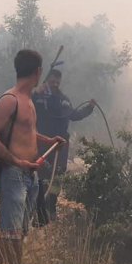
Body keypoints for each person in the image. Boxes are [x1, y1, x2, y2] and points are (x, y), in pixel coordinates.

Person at [0, 50, 65, 264]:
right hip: (14, 175)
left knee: (17, 237)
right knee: (9, 237)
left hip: (30, 177)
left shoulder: (28, 100)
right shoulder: (10, 99)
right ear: (37, 72)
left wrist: (48, 141)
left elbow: (26, 131)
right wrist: (17, 162)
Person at [33, 69, 95, 220]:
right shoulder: (38, 97)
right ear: (46, 81)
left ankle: (51, 208)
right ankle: (38, 210)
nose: (55, 84)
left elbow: (75, 115)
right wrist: (35, 92)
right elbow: (24, 104)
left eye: (57, 82)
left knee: (58, 176)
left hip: (60, 145)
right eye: (52, 81)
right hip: (41, 142)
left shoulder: (64, 99)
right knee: (41, 174)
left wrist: (89, 108)